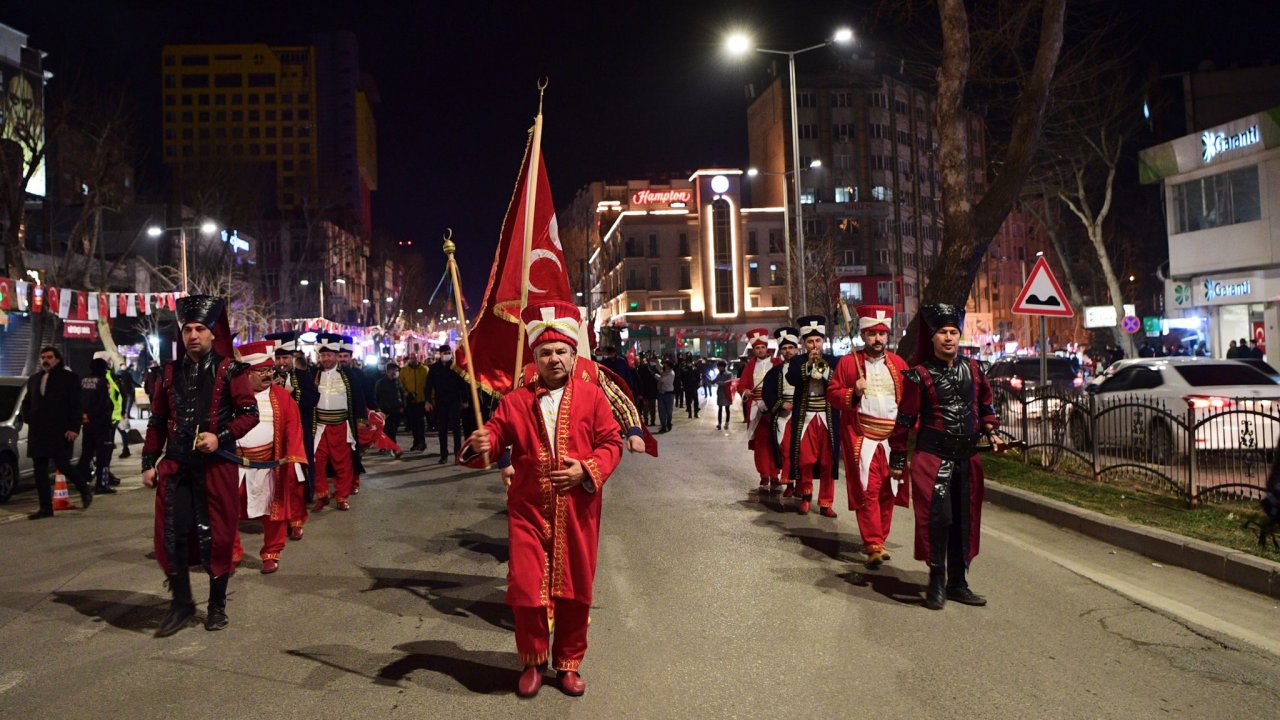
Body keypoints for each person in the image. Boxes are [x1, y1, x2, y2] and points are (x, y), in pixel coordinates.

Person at [458, 300, 623, 698]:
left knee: (574, 590)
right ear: (535, 358)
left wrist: (585, 470)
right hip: (528, 510)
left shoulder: (593, 397)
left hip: (578, 511)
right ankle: (533, 661)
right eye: (545, 352)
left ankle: (568, 664)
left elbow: (611, 442)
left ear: (573, 354)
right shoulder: (516, 400)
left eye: (561, 351)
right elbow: (495, 437)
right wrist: (482, 443)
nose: (554, 358)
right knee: (527, 589)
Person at [141, 295, 259, 636]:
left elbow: (249, 414)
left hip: (216, 467)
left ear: (211, 334)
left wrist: (219, 436)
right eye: (188, 329)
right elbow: (159, 420)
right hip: (176, 466)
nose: (193, 335)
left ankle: (217, 606)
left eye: (200, 329)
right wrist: (149, 461)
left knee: (218, 538)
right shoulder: (166, 373)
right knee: (171, 536)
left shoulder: (232, 370)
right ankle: (181, 605)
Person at [891, 303, 1003, 611]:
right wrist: (898, 458)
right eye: (942, 332)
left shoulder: (976, 370)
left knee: (964, 521)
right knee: (939, 520)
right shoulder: (918, 376)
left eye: (953, 332)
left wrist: (992, 431)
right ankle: (936, 580)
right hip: (932, 457)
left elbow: (986, 407)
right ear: (932, 337)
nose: (949, 338)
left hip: (967, 460)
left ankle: (958, 583)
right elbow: (904, 418)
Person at [827, 305, 910, 568]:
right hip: (863, 438)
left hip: (892, 439)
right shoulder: (848, 363)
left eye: (882, 334)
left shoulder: (898, 364)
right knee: (868, 490)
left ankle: (880, 540)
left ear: (887, 336)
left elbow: (909, 402)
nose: (878, 339)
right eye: (872, 334)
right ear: (863, 334)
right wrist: (854, 392)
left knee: (889, 491)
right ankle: (873, 543)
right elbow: (833, 393)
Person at [231, 341, 308, 575]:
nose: (268, 375)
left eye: (269, 370)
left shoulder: (282, 398)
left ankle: (271, 552)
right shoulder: (230, 397)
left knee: (272, 511)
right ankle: (232, 552)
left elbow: (294, 427)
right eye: (261, 371)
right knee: (227, 510)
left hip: (269, 463)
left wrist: (293, 459)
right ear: (246, 373)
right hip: (234, 464)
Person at [21, 346, 92, 518]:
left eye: (49, 357)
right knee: (40, 469)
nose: (45, 360)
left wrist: (74, 427)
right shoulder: (35, 379)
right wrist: (28, 417)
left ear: (57, 359)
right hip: (38, 431)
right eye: (43, 357)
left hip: (60, 430)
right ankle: (45, 508)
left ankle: (84, 488)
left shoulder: (69, 379)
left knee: (63, 465)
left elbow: (76, 405)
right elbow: (27, 402)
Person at [783, 316, 840, 516]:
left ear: (823, 341)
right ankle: (806, 495)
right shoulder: (798, 361)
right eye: (810, 342)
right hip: (805, 417)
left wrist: (821, 365)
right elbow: (792, 379)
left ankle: (826, 502)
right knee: (805, 459)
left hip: (827, 417)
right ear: (803, 343)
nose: (814, 345)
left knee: (828, 461)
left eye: (817, 341)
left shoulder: (833, 360)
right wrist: (808, 364)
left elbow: (835, 381)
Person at [267, 334, 318, 540]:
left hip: (299, 432)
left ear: (292, 358)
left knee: (297, 472)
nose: (282, 363)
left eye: (285, 358)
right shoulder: (265, 375)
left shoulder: (303, 375)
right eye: (278, 359)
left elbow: (314, 398)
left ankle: (298, 511)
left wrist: (293, 393)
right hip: (272, 435)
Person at [310, 333, 366, 512]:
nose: (326, 359)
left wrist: (361, 420)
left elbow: (358, 397)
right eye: (323, 355)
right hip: (320, 427)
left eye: (329, 355)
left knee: (342, 463)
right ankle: (322, 495)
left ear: (335, 355)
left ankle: (342, 496)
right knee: (317, 461)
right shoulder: (313, 374)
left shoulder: (348, 375)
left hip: (342, 425)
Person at [736, 329, 781, 492]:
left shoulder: (777, 363)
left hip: (774, 407)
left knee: (776, 441)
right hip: (757, 408)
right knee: (761, 442)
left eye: (762, 347)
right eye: (757, 348)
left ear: (767, 348)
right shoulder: (749, 366)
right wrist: (745, 391)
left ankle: (775, 473)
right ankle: (764, 474)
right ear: (753, 350)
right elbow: (742, 385)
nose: (760, 350)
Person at [762, 327, 801, 497]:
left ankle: (803, 485)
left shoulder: (806, 368)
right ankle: (789, 483)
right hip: (784, 416)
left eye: (790, 347)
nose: (788, 351)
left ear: (797, 348)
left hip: (803, 414)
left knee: (803, 451)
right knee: (786, 449)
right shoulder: (774, 372)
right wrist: (781, 404)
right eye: (784, 348)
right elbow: (767, 393)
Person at [77, 353, 121, 496]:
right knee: (103, 457)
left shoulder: (84, 380)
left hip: (87, 424)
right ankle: (102, 484)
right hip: (101, 424)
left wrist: (84, 415)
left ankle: (81, 482)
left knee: (86, 454)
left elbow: (80, 400)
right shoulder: (102, 382)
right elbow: (104, 404)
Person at [427, 346, 467, 464]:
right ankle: (443, 455)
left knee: (456, 429)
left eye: (449, 352)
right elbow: (428, 386)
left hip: (455, 400)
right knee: (442, 429)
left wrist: (465, 400)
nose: (447, 354)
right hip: (441, 401)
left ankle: (457, 455)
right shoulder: (434, 368)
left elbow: (462, 385)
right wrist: (428, 400)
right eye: (445, 353)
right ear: (440, 354)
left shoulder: (456, 367)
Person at [400, 353, 430, 452]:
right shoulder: (404, 371)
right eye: (411, 358)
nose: (413, 360)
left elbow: (429, 385)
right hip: (410, 400)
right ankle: (416, 442)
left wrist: (429, 399)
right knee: (412, 423)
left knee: (420, 422)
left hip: (421, 400)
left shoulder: (424, 370)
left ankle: (422, 442)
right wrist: (406, 393)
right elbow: (401, 384)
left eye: (414, 358)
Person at [375, 362, 406, 448]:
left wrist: (402, 405)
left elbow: (402, 393)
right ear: (388, 371)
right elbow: (377, 396)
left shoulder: (397, 381)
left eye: (396, 370)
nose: (395, 372)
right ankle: (393, 447)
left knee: (394, 428)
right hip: (386, 410)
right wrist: (378, 409)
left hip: (396, 409)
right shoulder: (381, 383)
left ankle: (387, 445)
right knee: (390, 429)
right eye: (394, 370)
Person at [657, 359, 676, 433]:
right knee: (661, 411)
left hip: (669, 394)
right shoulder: (664, 371)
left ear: (668, 365)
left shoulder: (671, 373)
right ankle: (663, 426)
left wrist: (654, 375)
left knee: (669, 411)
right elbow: (659, 367)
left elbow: (662, 380)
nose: (663, 365)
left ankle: (668, 422)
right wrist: (656, 361)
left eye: (665, 364)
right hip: (661, 393)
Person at [715, 361, 735, 430]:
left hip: (726, 393)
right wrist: (708, 379)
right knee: (719, 409)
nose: (718, 368)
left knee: (727, 409)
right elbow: (714, 380)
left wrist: (719, 383)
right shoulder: (718, 374)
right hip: (720, 393)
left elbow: (729, 383)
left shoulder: (729, 374)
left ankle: (727, 423)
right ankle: (719, 424)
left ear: (723, 367)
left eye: (719, 366)